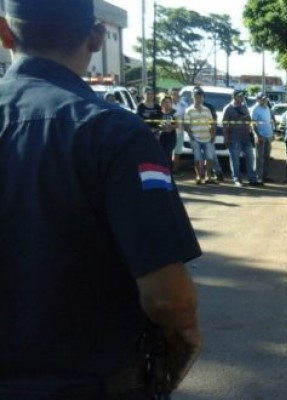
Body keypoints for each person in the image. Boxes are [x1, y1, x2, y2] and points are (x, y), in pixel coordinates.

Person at [0, 0, 201, 397]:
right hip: (88, 383)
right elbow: (168, 299)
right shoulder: (116, 133)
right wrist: (187, 334)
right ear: (95, 37)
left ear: (5, 33)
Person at [222, 90, 259, 187]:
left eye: (243, 96)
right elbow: (225, 125)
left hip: (246, 137)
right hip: (234, 138)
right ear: (234, 97)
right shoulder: (228, 108)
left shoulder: (244, 107)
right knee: (235, 160)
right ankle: (237, 179)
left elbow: (249, 121)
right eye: (240, 96)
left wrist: (253, 131)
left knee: (250, 158)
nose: (242, 98)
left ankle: (252, 179)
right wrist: (226, 138)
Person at [184, 87, 217, 184]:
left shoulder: (207, 109)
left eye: (200, 97)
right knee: (197, 159)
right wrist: (191, 136)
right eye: (196, 97)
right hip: (195, 138)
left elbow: (212, 123)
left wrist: (212, 134)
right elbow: (186, 125)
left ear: (202, 98)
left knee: (209, 158)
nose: (198, 99)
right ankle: (198, 176)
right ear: (192, 97)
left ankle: (208, 176)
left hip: (207, 138)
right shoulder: (188, 110)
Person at [251, 92, 276, 183]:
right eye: (262, 99)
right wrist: (257, 135)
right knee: (259, 158)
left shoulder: (267, 108)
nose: (264, 100)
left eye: (265, 99)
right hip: (260, 136)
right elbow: (253, 124)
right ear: (257, 99)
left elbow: (269, 122)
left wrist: (272, 133)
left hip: (268, 135)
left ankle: (265, 176)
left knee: (266, 157)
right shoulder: (255, 109)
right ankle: (258, 177)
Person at [159, 93, 179, 172]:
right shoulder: (159, 112)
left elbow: (177, 125)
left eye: (168, 102)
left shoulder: (174, 112)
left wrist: (169, 126)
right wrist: (161, 127)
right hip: (161, 136)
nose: (166, 104)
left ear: (171, 103)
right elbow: (156, 124)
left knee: (168, 154)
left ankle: (169, 171)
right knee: (161, 154)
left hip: (171, 136)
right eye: (165, 102)